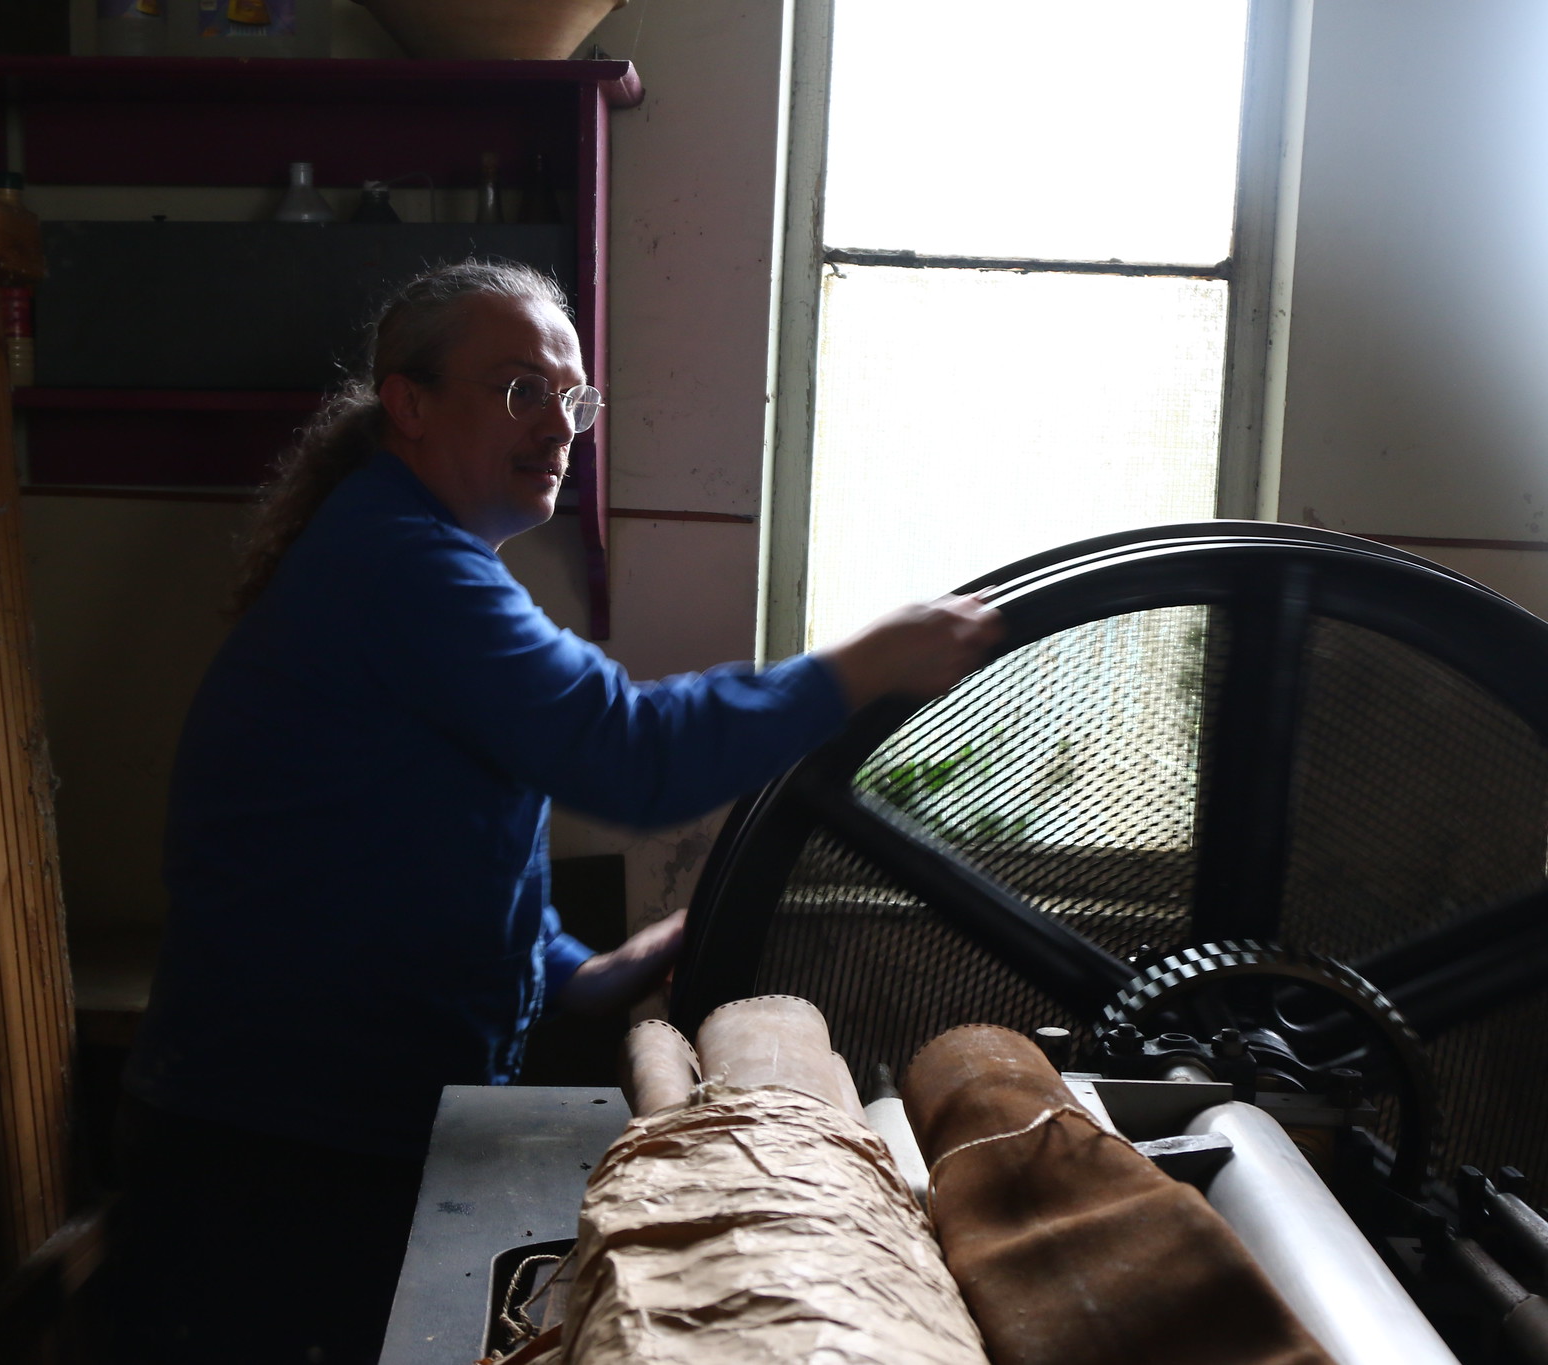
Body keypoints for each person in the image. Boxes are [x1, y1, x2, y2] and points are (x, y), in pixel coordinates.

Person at [105, 260, 1003, 1363]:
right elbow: (628, 754)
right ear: (410, 403)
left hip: (321, 1121)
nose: (559, 426)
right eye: (519, 389)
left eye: (573, 399)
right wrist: (859, 666)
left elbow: (424, 836)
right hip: (277, 1145)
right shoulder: (403, 567)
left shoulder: (410, 556)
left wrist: (579, 971)